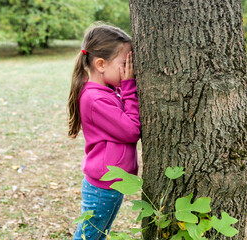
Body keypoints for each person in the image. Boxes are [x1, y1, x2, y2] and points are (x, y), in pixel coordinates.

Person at [67, 23, 141, 240]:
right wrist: (129, 86)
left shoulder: (106, 91)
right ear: (100, 64)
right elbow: (131, 131)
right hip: (103, 186)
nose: (130, 70)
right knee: (89, 236)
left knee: (98, 234)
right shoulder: (94, 99)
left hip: (112, 183)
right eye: (124, 64)